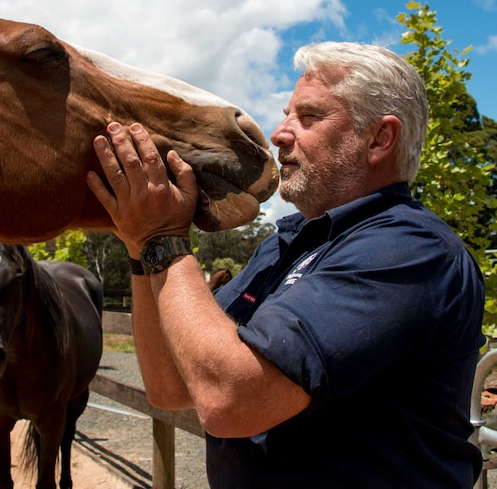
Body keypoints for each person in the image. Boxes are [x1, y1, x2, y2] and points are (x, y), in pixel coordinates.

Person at [86, 42, 485, 488]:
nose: (279, 133)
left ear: (380, 138)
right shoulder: (283, 245)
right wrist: (140, 245)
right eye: (287, 113)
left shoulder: (409, 249)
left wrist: (163, 237)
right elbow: (171, 386)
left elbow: (229, 399)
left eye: (309, 117)